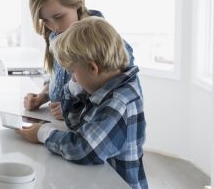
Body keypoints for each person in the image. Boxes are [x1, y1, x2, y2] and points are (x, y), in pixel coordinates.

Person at [17, 17, 147, 189]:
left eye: (72, 72)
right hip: (99, 178)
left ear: (93, 68)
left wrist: (44, 133)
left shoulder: (119, 102)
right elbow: (74, 122)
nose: (72, 78)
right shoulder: (103, 85)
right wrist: (74, 88)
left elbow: (85, 149)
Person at [22, 0, 134, 120]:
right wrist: (42, 96)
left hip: (88, 129)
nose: (54, 27)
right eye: (45, 20)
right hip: (57, 123)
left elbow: (120, 92)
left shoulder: (101, 40)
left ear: (77, 4)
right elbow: (59, 77)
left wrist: (75, 110)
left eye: (58, 17)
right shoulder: (56, 35)